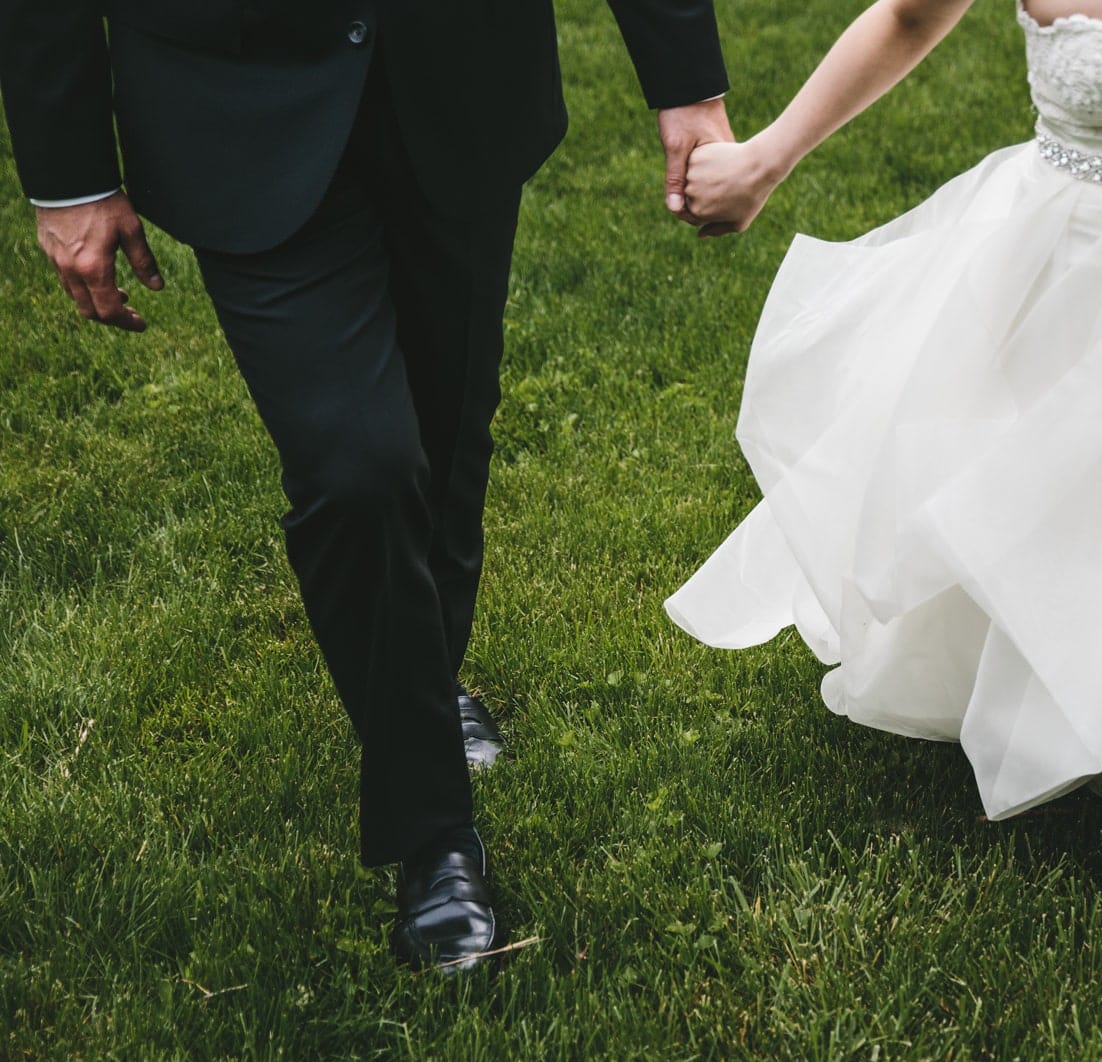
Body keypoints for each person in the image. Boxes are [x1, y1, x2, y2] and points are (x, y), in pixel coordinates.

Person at [0, 1, 734, 973]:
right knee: (359, 468)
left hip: (462, 74)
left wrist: (684, 82)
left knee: (446, 428)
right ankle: (436, 839)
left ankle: (422, 689)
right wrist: (68, 172)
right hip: (232, 101)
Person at [666, 0, 1102, 993]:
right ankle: (1074, 679)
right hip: (1077, 267)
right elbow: (910, 16)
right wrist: (764, 160)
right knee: (1050, 539)